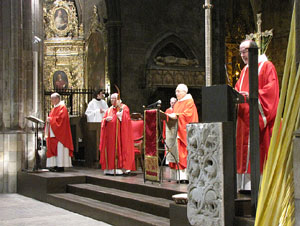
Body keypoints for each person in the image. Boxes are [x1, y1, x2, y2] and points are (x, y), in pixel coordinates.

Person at [235, 40, 279, 190]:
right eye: (240, 52)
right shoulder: (244, 71)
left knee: (258, 151)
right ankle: (245, 186)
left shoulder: (267, 66)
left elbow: (271, 91)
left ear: (253, 51)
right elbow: (237, 90)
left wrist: (252, 96)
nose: (242, 55)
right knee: (243, 151)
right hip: (244, 120)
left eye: (245, 51)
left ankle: (259, 187)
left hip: (257, 118)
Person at [167, 84, 199, 183]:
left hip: (184, 133)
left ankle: (185, 177)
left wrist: (176, 115)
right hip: (176, 132)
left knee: (183, 153)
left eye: (178, 91)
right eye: (176, 91)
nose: (176, 93)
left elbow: (188, 116)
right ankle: (178, 176)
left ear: (185, 92)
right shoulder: (177, 104)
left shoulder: (189, 101)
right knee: (176, 153)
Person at [99, 93, 135, 175]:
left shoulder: (124, 107)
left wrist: (120, 113)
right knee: (110, 150)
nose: (112, 101)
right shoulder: (109, 109)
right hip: (109, 136)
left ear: (118, 99)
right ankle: (109, 168)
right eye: (111, 99)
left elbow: (126, 119)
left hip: (119, 135)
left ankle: (120, 168)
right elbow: (103, 119)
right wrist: (105, 120)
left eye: (114, 99)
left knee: (118, 149)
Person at [45, 93, 73, 172]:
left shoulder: (62, 108)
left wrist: (51, 120)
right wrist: (49, 120)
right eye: (51, 99)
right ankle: (54, 165)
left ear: (57, 99)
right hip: (53, 132)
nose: (51, 101)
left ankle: (60, 166)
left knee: (60, 149)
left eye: (53, 99)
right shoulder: (54, 108)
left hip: (60, 134)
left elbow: (62, 119)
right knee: (54, 149)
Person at [163, 97, 177, 165]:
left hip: (175, 131)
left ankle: (174, 160)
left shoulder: (177, 110)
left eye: (174, 102)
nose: (172, 104)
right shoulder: (167, 110)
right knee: (168, 146)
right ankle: (168, 161)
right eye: (171, 102)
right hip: (168, 130)